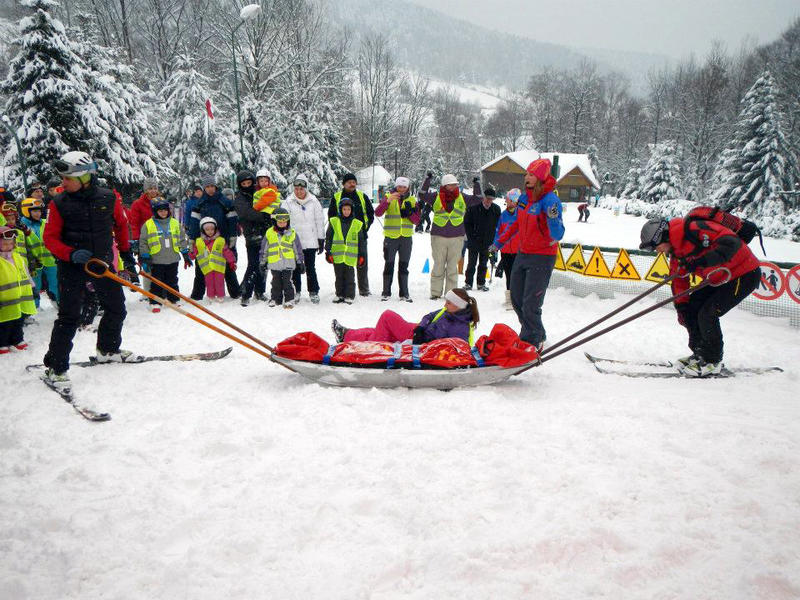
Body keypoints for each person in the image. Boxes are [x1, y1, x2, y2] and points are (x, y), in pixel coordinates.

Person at [41, 151, 140, 390]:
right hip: (72, 266)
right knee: (69, 316)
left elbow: (121, 226)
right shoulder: (59, 203)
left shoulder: (108, 197)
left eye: (67, 178)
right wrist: (70, 253)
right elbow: (50, 238)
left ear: (84, 177)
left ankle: (107, 350)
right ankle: (56, 366)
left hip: (102, 263)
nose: (63, 183)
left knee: (116, 308)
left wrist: (126, 255)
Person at [638, 215, 761, 377]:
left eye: (655, 247)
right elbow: (679, 279)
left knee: (708, 313)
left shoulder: (695, 229)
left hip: (744, 274)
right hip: (720, 278)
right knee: (692, 307)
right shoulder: (677, 251)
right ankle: (700, 352)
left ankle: (712, 360)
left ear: (663, 236)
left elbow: (731, 243)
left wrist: (701, 261)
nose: (657, 251)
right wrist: (682, 307)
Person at [493, 158, 564, 351]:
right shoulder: (524, 198)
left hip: (542, 256)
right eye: (526, 173)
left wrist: (553, 218)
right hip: (523, 253)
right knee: (516, 299)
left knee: (531, 303)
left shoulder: (550, 200)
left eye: (531, 174)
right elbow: (516, 223)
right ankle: (536, 333)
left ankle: (530, 341)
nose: (526, 177)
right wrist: (499, 242)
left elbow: (558, 234)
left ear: (540, 177)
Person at [416, 172, 483, 299]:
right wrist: (427, 179)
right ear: (444, 185)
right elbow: (422, 195)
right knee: (438, 266)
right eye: (450, 185)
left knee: (452, 268)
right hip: (438, 236)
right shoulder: (436, 196)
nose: (453, 187)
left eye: (455, 184)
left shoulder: (462, 197)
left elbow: (478, 198)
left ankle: (450, 294)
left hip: (456, 237)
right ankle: (435, 293)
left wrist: (477, 184)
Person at [331, 288, 478, 345]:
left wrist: (424, 341)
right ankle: (346, 334)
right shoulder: (449, 311)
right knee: (382, 329)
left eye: (449, 303)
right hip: (418, 331)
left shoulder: (460, 327)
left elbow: (452, 348)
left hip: (420, 341)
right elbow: (429, 316)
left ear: (458, 305)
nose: (445, 305)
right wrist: (421, 327)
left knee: (387, 317)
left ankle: (372, 345)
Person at [188, 175, 241, 300]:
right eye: (207, 187)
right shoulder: (200, 203)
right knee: (201, 266)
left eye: (212, 186)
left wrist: (232, 236)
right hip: (204, 240)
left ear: (216, 186)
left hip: (222, 238)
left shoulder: (225, 201)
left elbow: (232, 220)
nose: (210, 189)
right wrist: (192, 239)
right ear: (204, 188)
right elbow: (194, 222)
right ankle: (197, 294)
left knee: (227, 266)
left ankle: (235, 292)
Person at [139, 198, 192, 313]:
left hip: (172, 258)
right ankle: (155, 302)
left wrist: (185, 253)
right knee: (157, 282)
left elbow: (182, 239)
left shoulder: (175, 223)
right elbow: (143, 242)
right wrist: (145, 256)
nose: (163, 213)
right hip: (157, 259)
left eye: (165, 210)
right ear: (155, 212)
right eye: (160, 211)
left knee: (172, 280)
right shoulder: (148, 224)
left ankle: (173, 299)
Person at [282, 173, 325, 304]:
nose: (299, 191)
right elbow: (283, 221)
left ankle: (313, 291)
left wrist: (321, 238)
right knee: (295, 267)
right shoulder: (288, 202)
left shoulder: (314, 201)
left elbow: (319, 221)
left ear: (306, 189)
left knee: (310, 267)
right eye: (296, 189)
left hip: (310, 241)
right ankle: (296, 291)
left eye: (301, 189)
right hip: (294, 242)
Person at [328, 173, 374, 296]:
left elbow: (370, 214)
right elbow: (331, 216)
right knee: (342, 265)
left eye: (354, 182)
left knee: (362, 262)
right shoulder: (337, 197)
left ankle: (364, 289)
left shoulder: (362, 196)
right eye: (349, 182)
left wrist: (364, 228)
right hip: (341, 238)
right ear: (344, 184)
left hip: (359, 235)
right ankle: (343, 290)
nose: (352, 184)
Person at [374, 176, 419, 302]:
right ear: (396, 186)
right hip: (391, 237)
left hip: (406, 238)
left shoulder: (412, 200)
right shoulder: (388, 196)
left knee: (404, 265)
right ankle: (386, 292)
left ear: (408, 188)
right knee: (389, 264)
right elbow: (377, 213)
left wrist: (410, 213)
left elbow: (417, 221)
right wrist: (387, 201)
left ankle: (404, 293)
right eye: (400, 186)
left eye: (404, 187)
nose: (402, 189)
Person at [233, 170, 269, 306]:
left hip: (265, 232)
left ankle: (260, 291)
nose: (247, 186)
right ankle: (246, 292)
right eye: (244, 184)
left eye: (249, 183)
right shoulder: (240, 198)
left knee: (263, 264)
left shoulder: (258, 193)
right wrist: (263, 216)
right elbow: (246, 213)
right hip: (252, 233)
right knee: (253, 264)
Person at [0, 225, 36, 353]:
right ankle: (2, 343)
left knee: (18, 321)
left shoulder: (18, 257)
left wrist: (32, 286)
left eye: (11, 243)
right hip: (4, 301)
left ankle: (17, 339)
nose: (8, 246)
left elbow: (25, 273)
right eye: (5, 244)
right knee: (4, 323)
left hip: (20, 298)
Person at [259, 207, 304, 308]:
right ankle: (276, 299)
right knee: (276, 283)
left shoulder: (292, 234)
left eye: (285, 222)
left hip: (288, 263)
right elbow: (264, 249)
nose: (283, 224)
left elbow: (297, 249)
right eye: (280, 222)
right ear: (274, 221)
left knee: (287, 282)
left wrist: (300, 262)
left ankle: (289, 299)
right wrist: (262, 262)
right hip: (275, 263)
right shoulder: (269, 233)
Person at [325, 196, 365, 304]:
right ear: (340, 210)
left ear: (352, 210)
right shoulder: (334, 222)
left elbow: (361, 241)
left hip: (350, 257)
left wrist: (362, 255)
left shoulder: (357, 223)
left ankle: (349, 295)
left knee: (349, 277)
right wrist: (328, 251)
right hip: (337, 256)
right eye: (344, 209)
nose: (346, 211)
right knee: (339, 276)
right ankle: (339, 294)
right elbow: (329, 237)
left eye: (348, 209)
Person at [21, 197, 59, 307]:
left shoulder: (44, 222)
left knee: (56, 284)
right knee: (34, 287)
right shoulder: (22, 226)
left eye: (39, 211)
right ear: (26, 211)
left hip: (50, 261)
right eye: (34, 211)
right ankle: (34, 308)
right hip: (34, 263)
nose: (38, 214)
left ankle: (61, 304)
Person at [189, 217, 236, 304]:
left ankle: (220, 295)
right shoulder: (199, 241)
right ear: (203, 230)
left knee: (219, 282)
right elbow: (195, 252)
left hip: (219, 268)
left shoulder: (220, 240)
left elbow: (226, 251)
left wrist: (232, 261)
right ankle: (211, 296)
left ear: (215, 229)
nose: (210, 231)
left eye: (212, 229)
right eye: (207, 229)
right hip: (207, 268)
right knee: (209, 282)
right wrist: (191, 255)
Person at [463, 185, 501, 291]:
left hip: (488, 242)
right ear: (483, 197)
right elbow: (467, 224)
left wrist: (495, 241)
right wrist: (471, 237)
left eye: (491, 199)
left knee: (483, 264)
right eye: (488, 198)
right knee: (471, 264)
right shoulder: (473, 209)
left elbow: (498, 226)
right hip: (474, 241)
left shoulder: (496, 210)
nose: (489, 201)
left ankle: (481, 283)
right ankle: (468, 283)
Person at [492, 188, 521, 310]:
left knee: (517, 276)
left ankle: (517, 300)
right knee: (508, 274)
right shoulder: (503, 215)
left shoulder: (521, 214)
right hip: (505, 251)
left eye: (508, 199)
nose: (506, 201)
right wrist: (496, 245)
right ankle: (509, 299)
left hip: (518, 251)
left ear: (515, 201)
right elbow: (498, 232)